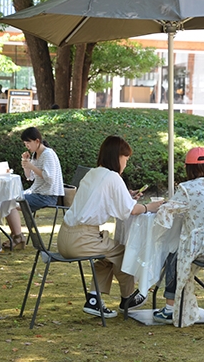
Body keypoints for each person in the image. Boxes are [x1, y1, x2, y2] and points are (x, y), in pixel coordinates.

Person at [57, 135, 165, 318]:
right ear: (117, 157)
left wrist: (125, 195)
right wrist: (150, 207)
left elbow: (105, 200)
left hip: (65, 237)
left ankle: (94, 299)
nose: (126, 164)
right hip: (82, 239)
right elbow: (130, 211)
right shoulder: (112, 177)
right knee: (124, 252)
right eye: (126, 159)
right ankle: (128, 297)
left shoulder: (93, 173)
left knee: (108, 256)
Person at [152, 147, 204, 327]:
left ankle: (169, 309)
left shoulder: (187, 188)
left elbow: (166, 212)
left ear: (188, 168)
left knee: (175, 250)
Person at [5, 127, 64, 250]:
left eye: (28, 143)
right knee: (6, 199)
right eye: (25, 144)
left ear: (37, 141)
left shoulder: (48, 154)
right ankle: (17, 235)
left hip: (47, 196)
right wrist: (26, 163)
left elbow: (50, 179)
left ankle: (18, 237)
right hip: (37, 192)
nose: (27, 146)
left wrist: (31, 166)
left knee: (9, 202)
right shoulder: (35, 154)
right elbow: (29, 177)